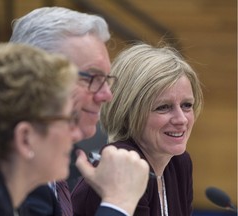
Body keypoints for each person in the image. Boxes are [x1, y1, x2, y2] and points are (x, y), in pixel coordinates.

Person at [0, 42, 150, 216]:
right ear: (25, 138)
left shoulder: (7, 188)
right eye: (67, 120)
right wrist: (118, 202)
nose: (76, 133)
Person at [71, 42, 204, 216]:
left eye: (187, 105)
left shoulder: (179, 163)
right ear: (128, 112)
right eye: (163, 107)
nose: (181, 119)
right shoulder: (122, 169)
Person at [9, 6, 118, 216]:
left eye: (106, 80)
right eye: (92, 78)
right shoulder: (8, 166)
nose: (106, 95)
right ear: (37, 77)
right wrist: (117, 202)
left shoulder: (65, 153)